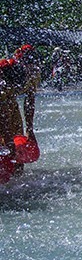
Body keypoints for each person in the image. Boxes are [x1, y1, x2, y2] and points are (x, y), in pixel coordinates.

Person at [0, 45, 42, 176]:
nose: (30, 69)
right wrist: (7, 139)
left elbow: (29, 101)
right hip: (3, 103)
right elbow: (2, 116)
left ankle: (17, 178)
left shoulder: (33, 73)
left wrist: (30, 129)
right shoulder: (4, 71)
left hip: (10, 104)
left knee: (16, 146)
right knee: (6, 143)